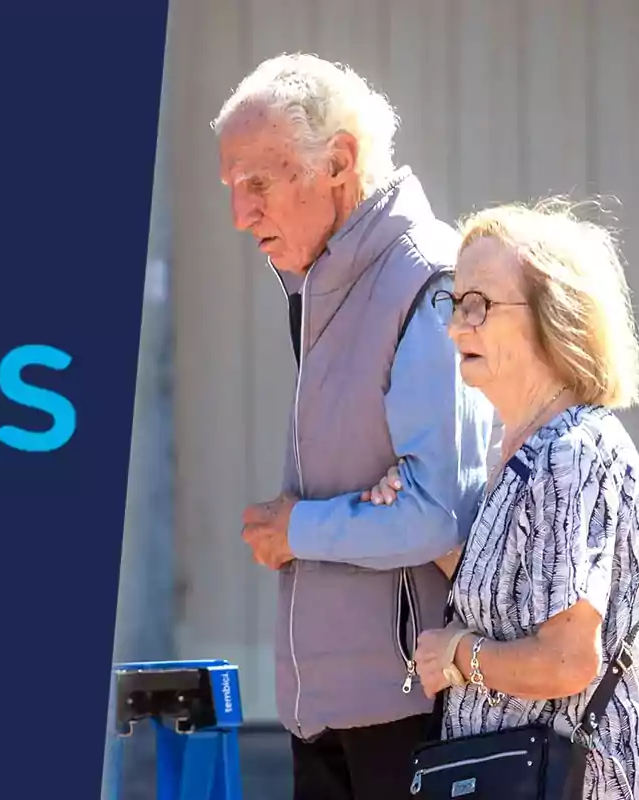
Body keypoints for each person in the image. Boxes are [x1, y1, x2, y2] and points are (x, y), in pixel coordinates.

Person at [212, 53, 497, 800]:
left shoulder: (424, 281)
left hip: (410, 719)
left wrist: (297, 530)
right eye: (232, 189)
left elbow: (438, 513)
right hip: (328, 719)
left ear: (338, 161)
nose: (240, 215)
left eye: (258, 184)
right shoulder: (327, 285)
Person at [367, 199, 639, 799]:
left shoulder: (569, 453)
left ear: (554, 317)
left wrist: (457, 654)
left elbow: (566, 661)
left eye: (478, 305)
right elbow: (515, 595)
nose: (455, 327)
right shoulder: (522, 452)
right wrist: (412, 508)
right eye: (454, 303)